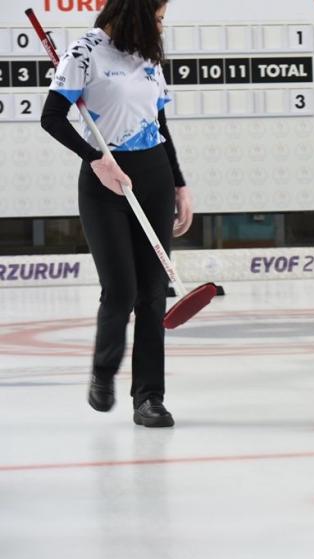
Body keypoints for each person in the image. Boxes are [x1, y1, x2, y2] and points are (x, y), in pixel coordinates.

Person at [40, 0, 191, 426]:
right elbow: (51, 118)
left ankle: (149, 398)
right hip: (104, 182)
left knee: (151, 293)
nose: (161, 27)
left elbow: (160, 125)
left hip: (153, 176)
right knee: (121, 289)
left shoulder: (147, 54)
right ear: (136, 12)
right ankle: (102, 372)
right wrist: (95, 159)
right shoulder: (84, 52)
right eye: (157, 18)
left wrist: (180, 184)